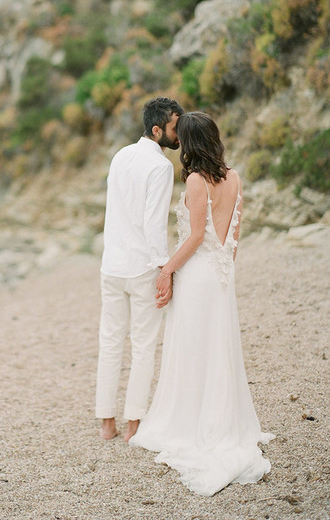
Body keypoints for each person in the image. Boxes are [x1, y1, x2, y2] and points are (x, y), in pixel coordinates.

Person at [129, 111, 274, 495]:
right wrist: (223, 269)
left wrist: (166, 272)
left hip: (197, 275)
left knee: (193, 350)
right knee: (217, 349)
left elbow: (194, 237)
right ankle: (220, 418)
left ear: (190, 143)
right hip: (221, 274)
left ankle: (191, 422)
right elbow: (235, 234)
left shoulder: (196, 180)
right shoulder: (234, 176)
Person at [95, 96, 184, 442]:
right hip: (141, 268)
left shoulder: (120, 156)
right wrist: (164, 269)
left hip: (111, 264)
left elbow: (113, 210)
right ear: (158, 129)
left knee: (110, 340)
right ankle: (134, 425)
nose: (179, 134)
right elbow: (153, 224)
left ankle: (106, 424)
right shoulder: (160, 167)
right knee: (144, 344)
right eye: (175, 128)